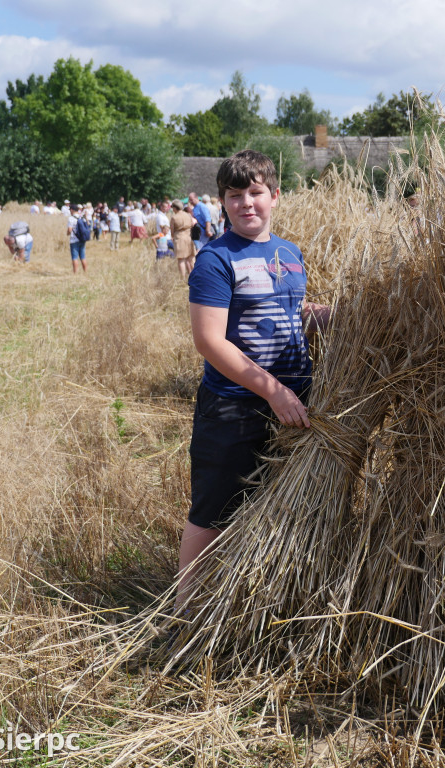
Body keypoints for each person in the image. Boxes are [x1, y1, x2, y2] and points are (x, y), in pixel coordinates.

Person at [177, 149, 331, 607]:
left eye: (256, 192)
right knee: (213, 512)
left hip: (294, 404)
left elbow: (291, 314)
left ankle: (254, 603)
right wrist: (272, 391)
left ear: (275, 196)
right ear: (222, 203)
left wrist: (336, 317)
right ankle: (185, 609)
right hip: (233, 408)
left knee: (276, 507)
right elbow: (210, 341)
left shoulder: (290, 253)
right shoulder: (215, 259)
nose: (247, 203)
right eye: (235, 194)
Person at [170, 199, 196, 280]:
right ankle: (194, 275)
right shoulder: (188, 215)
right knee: (191, 258)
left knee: (181, 260)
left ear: (175, 208)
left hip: (179, 239)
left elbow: (172, 231)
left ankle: (183, 278)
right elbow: (192, 224)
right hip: (189, 237)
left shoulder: (174, 217)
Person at [67, 203, 88, 274]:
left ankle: (75, 273)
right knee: (83, 256)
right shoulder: (81, 217)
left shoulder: (71, 218)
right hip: (82, 239)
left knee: (75, 257)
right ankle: (85, 272)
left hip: (74, 240)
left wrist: (67, 233)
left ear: (72, 210)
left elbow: (69, 230)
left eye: (70, 210)